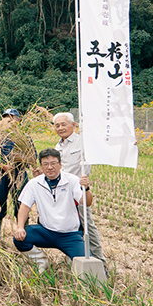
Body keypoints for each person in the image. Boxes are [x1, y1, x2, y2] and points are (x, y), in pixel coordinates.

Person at [13, 148, 93, 273]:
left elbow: (87, 202)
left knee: (88, 268)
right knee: (20, 238)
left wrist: (86, 188)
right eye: (45, 164)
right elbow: (25, 206)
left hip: (70, 235)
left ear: (60, 164)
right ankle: (41, 260)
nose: (49, 167)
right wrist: (20, 227)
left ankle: (70, 257)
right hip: (46, 231)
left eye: (53, 163)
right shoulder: (34, 183)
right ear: (41, 166)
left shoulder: (71, 180)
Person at [53, 112, 106, 265]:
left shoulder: (83, 142)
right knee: (70, 226)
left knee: (87, 224)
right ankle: (74, 258)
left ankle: (99, 260)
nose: (61, 128)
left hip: (79, 191)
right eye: (57, 125)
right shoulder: (58, 146)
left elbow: (104, 147)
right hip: (63, 192)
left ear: (73, 125)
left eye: (64, 124)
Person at [0, 109, 35, 237]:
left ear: (18, 120)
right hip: (1, 174)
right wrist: (2, 165)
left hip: (19, 174)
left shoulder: (25, 137)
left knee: (21, 202)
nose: (8, 120)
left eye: (12, 117)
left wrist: (20, 159)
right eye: (6, 118)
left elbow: (33, 156)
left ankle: (24, 233)